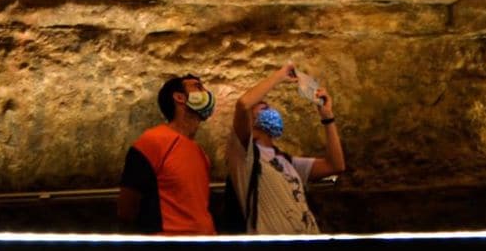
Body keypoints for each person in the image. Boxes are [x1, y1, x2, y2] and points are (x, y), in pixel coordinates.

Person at [225, 61, 345, 234]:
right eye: (262, 107)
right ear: (249, 120)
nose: (269, 110)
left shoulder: (287, 162)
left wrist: (328, 117)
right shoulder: (244, 155)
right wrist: (280, 75)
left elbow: (335, 165)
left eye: (269, 107)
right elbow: (243, 104)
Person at [117, 73, 217, 235]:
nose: (206, 92)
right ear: (179, 97)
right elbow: (127, 208)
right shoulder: (153, 142)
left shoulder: (200, 153)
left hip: (204, 247)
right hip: (170, 249)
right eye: (198, 87)